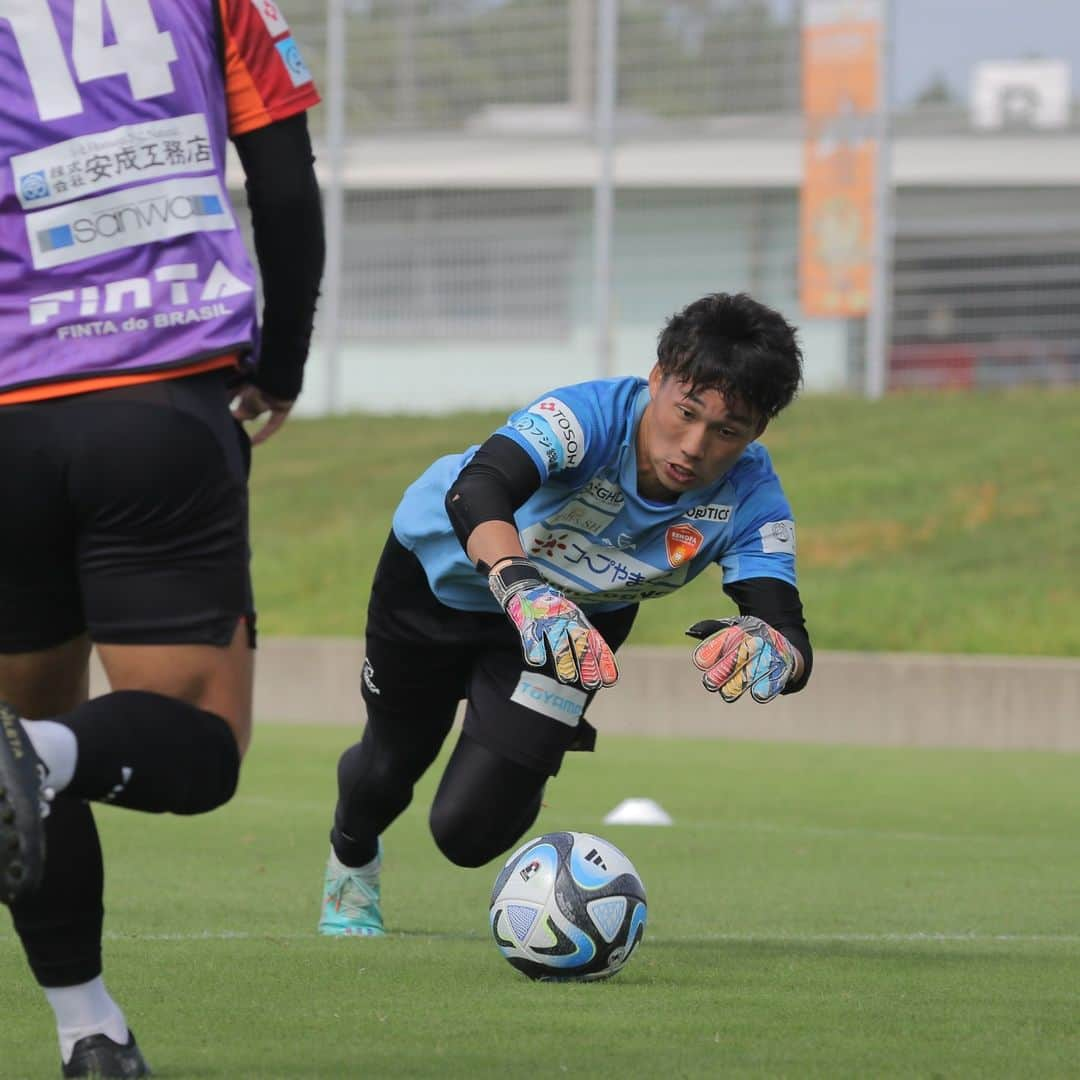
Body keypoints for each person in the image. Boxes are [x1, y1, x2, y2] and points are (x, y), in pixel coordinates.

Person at [0, 2, 323, 1076]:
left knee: (22, 726)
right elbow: (282, 185)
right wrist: (279, 365)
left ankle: (88, 1026)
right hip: (162, 404)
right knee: (193, 737)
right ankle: (39, 756)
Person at [317, 291, 813, 938]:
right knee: (391, 763)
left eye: (727, 431)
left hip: (576, 627)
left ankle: (528, 746)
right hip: (439, 587)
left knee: (467, 834)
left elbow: (786, 629)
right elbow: (480, 487)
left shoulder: (753, 497)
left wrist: (770, 650)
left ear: (757, 433)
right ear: (656, 380)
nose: (693, 447)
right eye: (685, 413)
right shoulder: (589, 415)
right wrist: (523, 589)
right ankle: (352, 858)